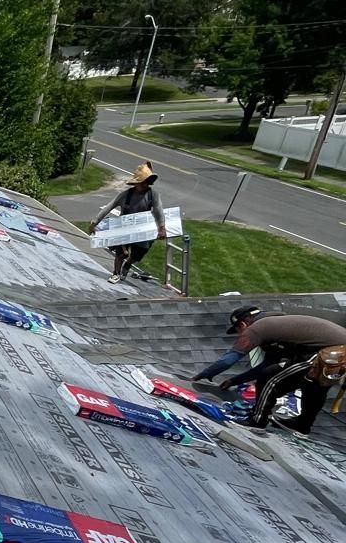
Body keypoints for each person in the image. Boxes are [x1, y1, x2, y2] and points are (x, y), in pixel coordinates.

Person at [194, 306, 346, 436]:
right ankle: (302, 426)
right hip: (334, 351)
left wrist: (205, 374)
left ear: (243, 323)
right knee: (314, 387)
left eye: (238, 330)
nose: (240, 334)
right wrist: (235, 380)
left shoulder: (257, 328)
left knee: (270, 379)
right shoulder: (279, 325)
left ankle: (257, 421)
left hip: (330, 351)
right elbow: (268, 364)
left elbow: (228, 359)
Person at [90, 162, 166, 285]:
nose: (144, 185)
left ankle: (128, 264)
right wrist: (95, 222)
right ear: (137, 183)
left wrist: (161, 228)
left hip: (142, 228)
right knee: (121, 253)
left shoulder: (153, 195)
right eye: (142, 182)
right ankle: (116, 273)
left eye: (146, 182)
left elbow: (158, 210)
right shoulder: (126, 195)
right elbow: (109, 207)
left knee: (138, 254)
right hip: (125, 226)